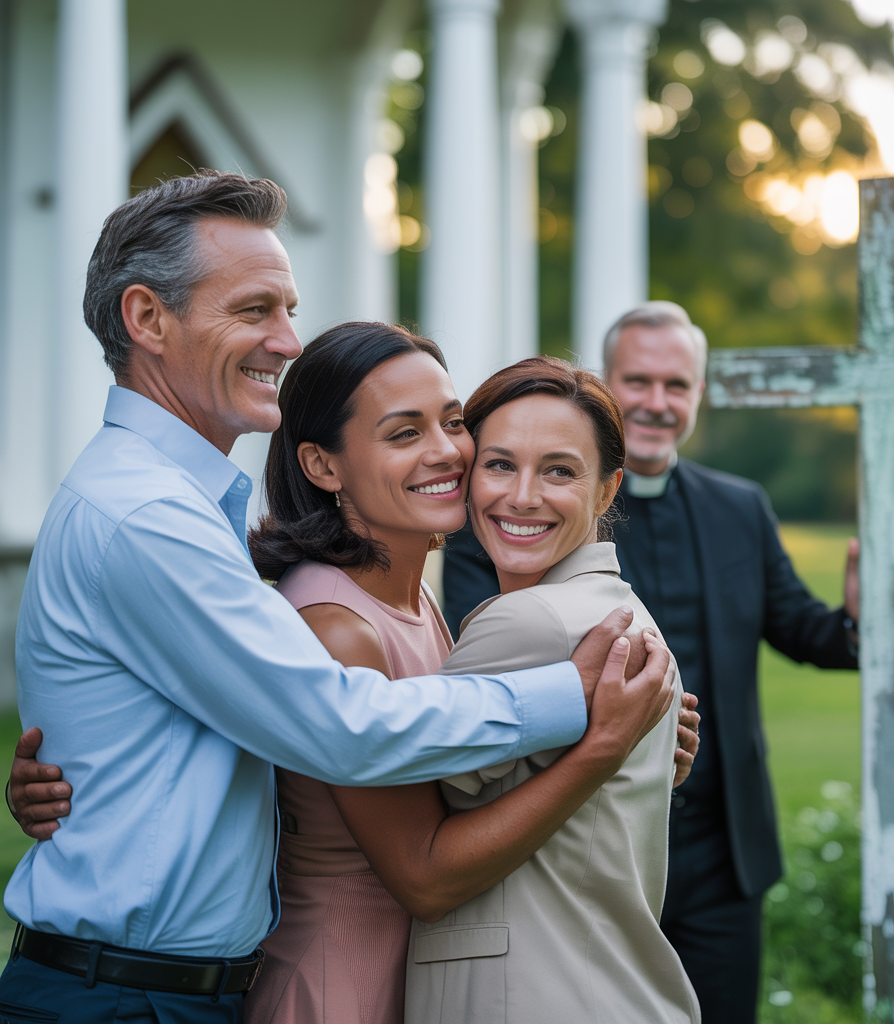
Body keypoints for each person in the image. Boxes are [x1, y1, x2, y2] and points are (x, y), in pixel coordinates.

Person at [0, 172, 670, 1024]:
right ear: (147, 319)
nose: (287, 340)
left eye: (454, 422)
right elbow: (342, 727)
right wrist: (580, 709)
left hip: (165, 987)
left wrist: (637, 733)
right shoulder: (146, 517)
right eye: (255, 310)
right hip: (131, 997)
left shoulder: (203, 510)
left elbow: (236, 727)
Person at [442, 302, 894, 1024]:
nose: (655, 402)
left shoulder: (741, 506)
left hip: (719, 852)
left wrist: (866, 624)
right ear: (607, 388)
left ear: (698, 395)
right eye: (637, 381)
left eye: (676, 385)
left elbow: (801, 630)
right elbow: (484, 652)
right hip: (578, 845)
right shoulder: (525, 512)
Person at [239, 323, 689, 1023]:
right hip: (346, 982)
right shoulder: (338, 625)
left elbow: (473, 755)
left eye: (451, 423)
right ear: (324, 467)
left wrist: (641, 747)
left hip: (429, 973)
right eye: (404, 433)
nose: (445, 451)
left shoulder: (414, 596)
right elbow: (423, 866)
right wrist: (599, 751)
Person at [404, 356, 700, 1024]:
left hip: (533, 994)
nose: (523, 496)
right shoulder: (616, 608)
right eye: (500, 464)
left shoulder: (528, 621)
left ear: (606, 489)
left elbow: (400, 781)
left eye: (559, 470)